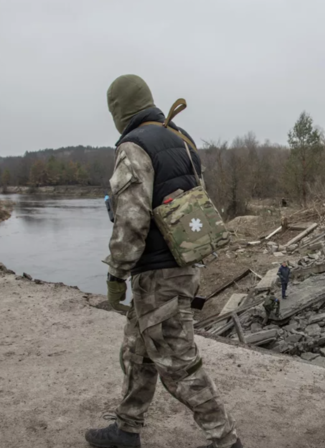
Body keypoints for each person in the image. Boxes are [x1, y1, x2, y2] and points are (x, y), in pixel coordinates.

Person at [85, 75, 242, 448]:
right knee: (137, 352)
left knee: (177, 363)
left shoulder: (134, 146)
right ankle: (126, 429)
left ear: (119, 110)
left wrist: (115, 273)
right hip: (183, 263)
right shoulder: (179, 137)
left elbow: (131, 219)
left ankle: (226, 440)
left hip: (157, 274)